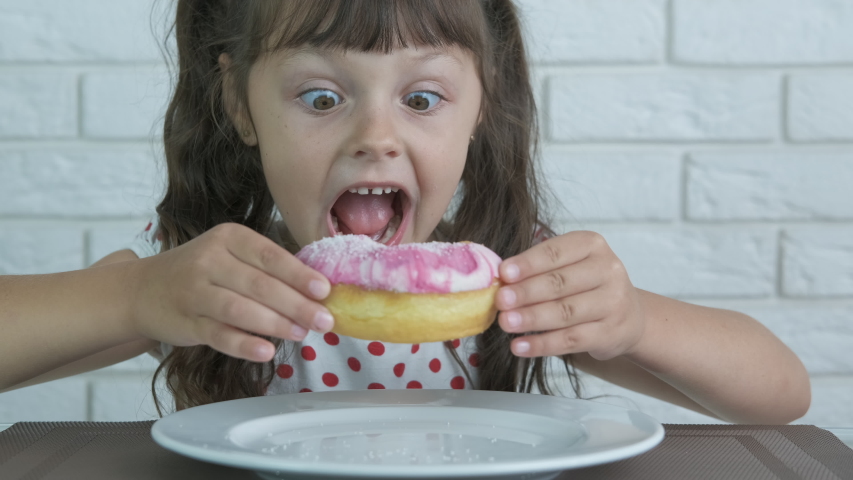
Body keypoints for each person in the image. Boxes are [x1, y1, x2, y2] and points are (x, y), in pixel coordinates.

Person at [0, 0, 810, 424]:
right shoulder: (214, 286)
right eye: (321, 96)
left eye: (422, 98)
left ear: (479, 111)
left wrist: (630, 320)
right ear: (238, 105)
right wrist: (132, 298)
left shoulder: (507, 285)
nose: (375, 137)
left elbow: (781, 397)